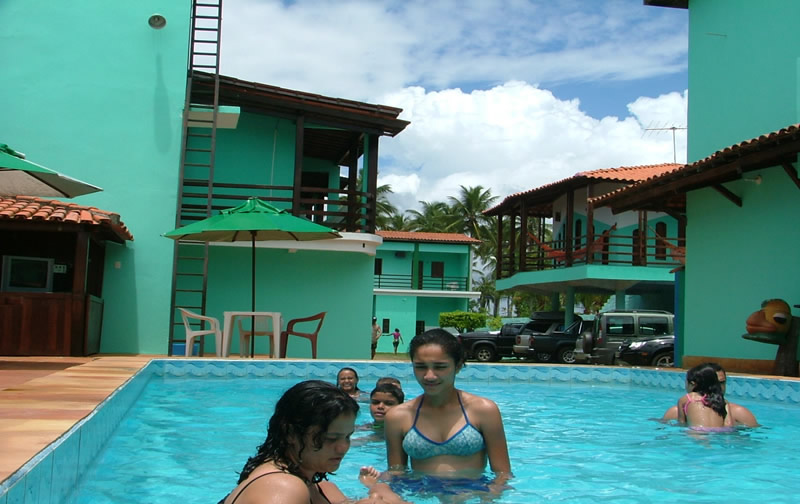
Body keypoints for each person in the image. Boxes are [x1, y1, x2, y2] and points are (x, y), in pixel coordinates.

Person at [218, 380, 409, 504]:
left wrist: (376, 489)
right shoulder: (283, 488)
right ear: (290, 433)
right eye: (330, 438)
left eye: (347, 436)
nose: (343, 447)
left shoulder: (310, 481)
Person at [384, 328, 511, 479]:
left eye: (440, 367)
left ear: (458, 366)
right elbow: (396, 473)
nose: (429, 376)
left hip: (473, 490)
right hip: (420, 490)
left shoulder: (484, 410)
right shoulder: (397, 416)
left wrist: (489, 493)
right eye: (420, 367)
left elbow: (503, 474)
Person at [661, 362, 759, 427]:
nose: (718, 387)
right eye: (713, 384)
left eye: (721, 383)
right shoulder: (673, 413)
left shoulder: (739, 413)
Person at [676, 363, 734, 430]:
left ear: (693, 383)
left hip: (697, 432)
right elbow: (728, 425)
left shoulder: (687, 399)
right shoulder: (723, 401)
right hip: (718, 433)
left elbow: (681, 424)